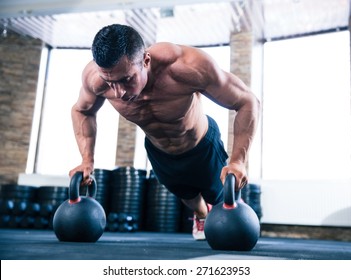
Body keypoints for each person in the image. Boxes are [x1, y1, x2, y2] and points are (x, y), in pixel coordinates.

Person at [69, 24, 260, 240]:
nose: (119, 92)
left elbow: (247, 101)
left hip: (201, 144)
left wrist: (238, 161)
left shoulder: (185, 66)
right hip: (159, 151)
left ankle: (226, 203)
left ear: (146, 61)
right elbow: (82, 111)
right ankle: (200, 214)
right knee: (186, 195)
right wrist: (87, 160)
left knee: (220, 197)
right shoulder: (95, 80)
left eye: (127, 79)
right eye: (110, 82)